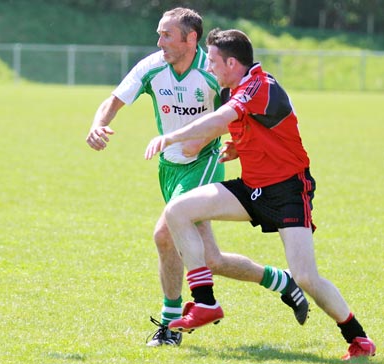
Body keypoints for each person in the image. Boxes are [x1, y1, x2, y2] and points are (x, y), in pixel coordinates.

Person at [144, 28, 376, 360]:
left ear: (232, 62)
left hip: (288, 192)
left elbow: (221, 119)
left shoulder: (259, 86)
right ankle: (205, 301)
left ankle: (358, 338)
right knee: (178, 211)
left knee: (306, 277)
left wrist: (169, 138)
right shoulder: (232, 89)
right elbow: (255, 126)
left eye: (211, 61)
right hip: (252, 188)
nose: (208, 68)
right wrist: (238, 147)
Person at [87, 9, 309, 348]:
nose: (159, 42)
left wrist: (205, 142)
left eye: (167, 35)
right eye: (159, 34)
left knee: (164, 234)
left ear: (191, 39)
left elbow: (230, 116)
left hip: (203, 164)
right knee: (210, 260)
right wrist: (98, 124)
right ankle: (282, 281)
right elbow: (113, 101)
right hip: (168, 167)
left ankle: (170, 324)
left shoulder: (212, 72)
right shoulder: (152, 67)